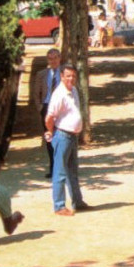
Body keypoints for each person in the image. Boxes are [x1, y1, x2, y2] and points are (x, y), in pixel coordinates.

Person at [44, 63, 91, 215]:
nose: (71, 79)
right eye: (68, 76)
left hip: (72, 136)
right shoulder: (59, 94)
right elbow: (49, 117)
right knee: (60, 172)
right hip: (62, 135)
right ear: (62, 77)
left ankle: (78, 201)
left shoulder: (74, 90)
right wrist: (51, 131)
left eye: (73, 76)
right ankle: (59, 206)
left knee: (73, 171)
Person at [32, 48, 61, 178]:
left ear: (59, 59)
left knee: (62, 137)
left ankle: (63, 167)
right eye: (50, 58)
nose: (53, 61)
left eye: (55, 58)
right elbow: (36, 93)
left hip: (61, 108)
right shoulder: (41, 74)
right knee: (49, 138)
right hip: (47, 106)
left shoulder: (65, 73)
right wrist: (40, 107)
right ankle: (53, 167)